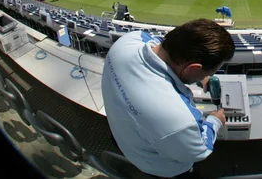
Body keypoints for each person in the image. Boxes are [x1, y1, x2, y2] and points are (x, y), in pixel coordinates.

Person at [101, 19, 235, 178]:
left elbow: (159, 44)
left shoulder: (127, 41)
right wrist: (215, 120)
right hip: (162, 171)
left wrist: (199, 76)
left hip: (124, 138)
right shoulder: (181, 121)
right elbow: (199, 151)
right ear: (192, 68)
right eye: (208, 73)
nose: (207, 76)